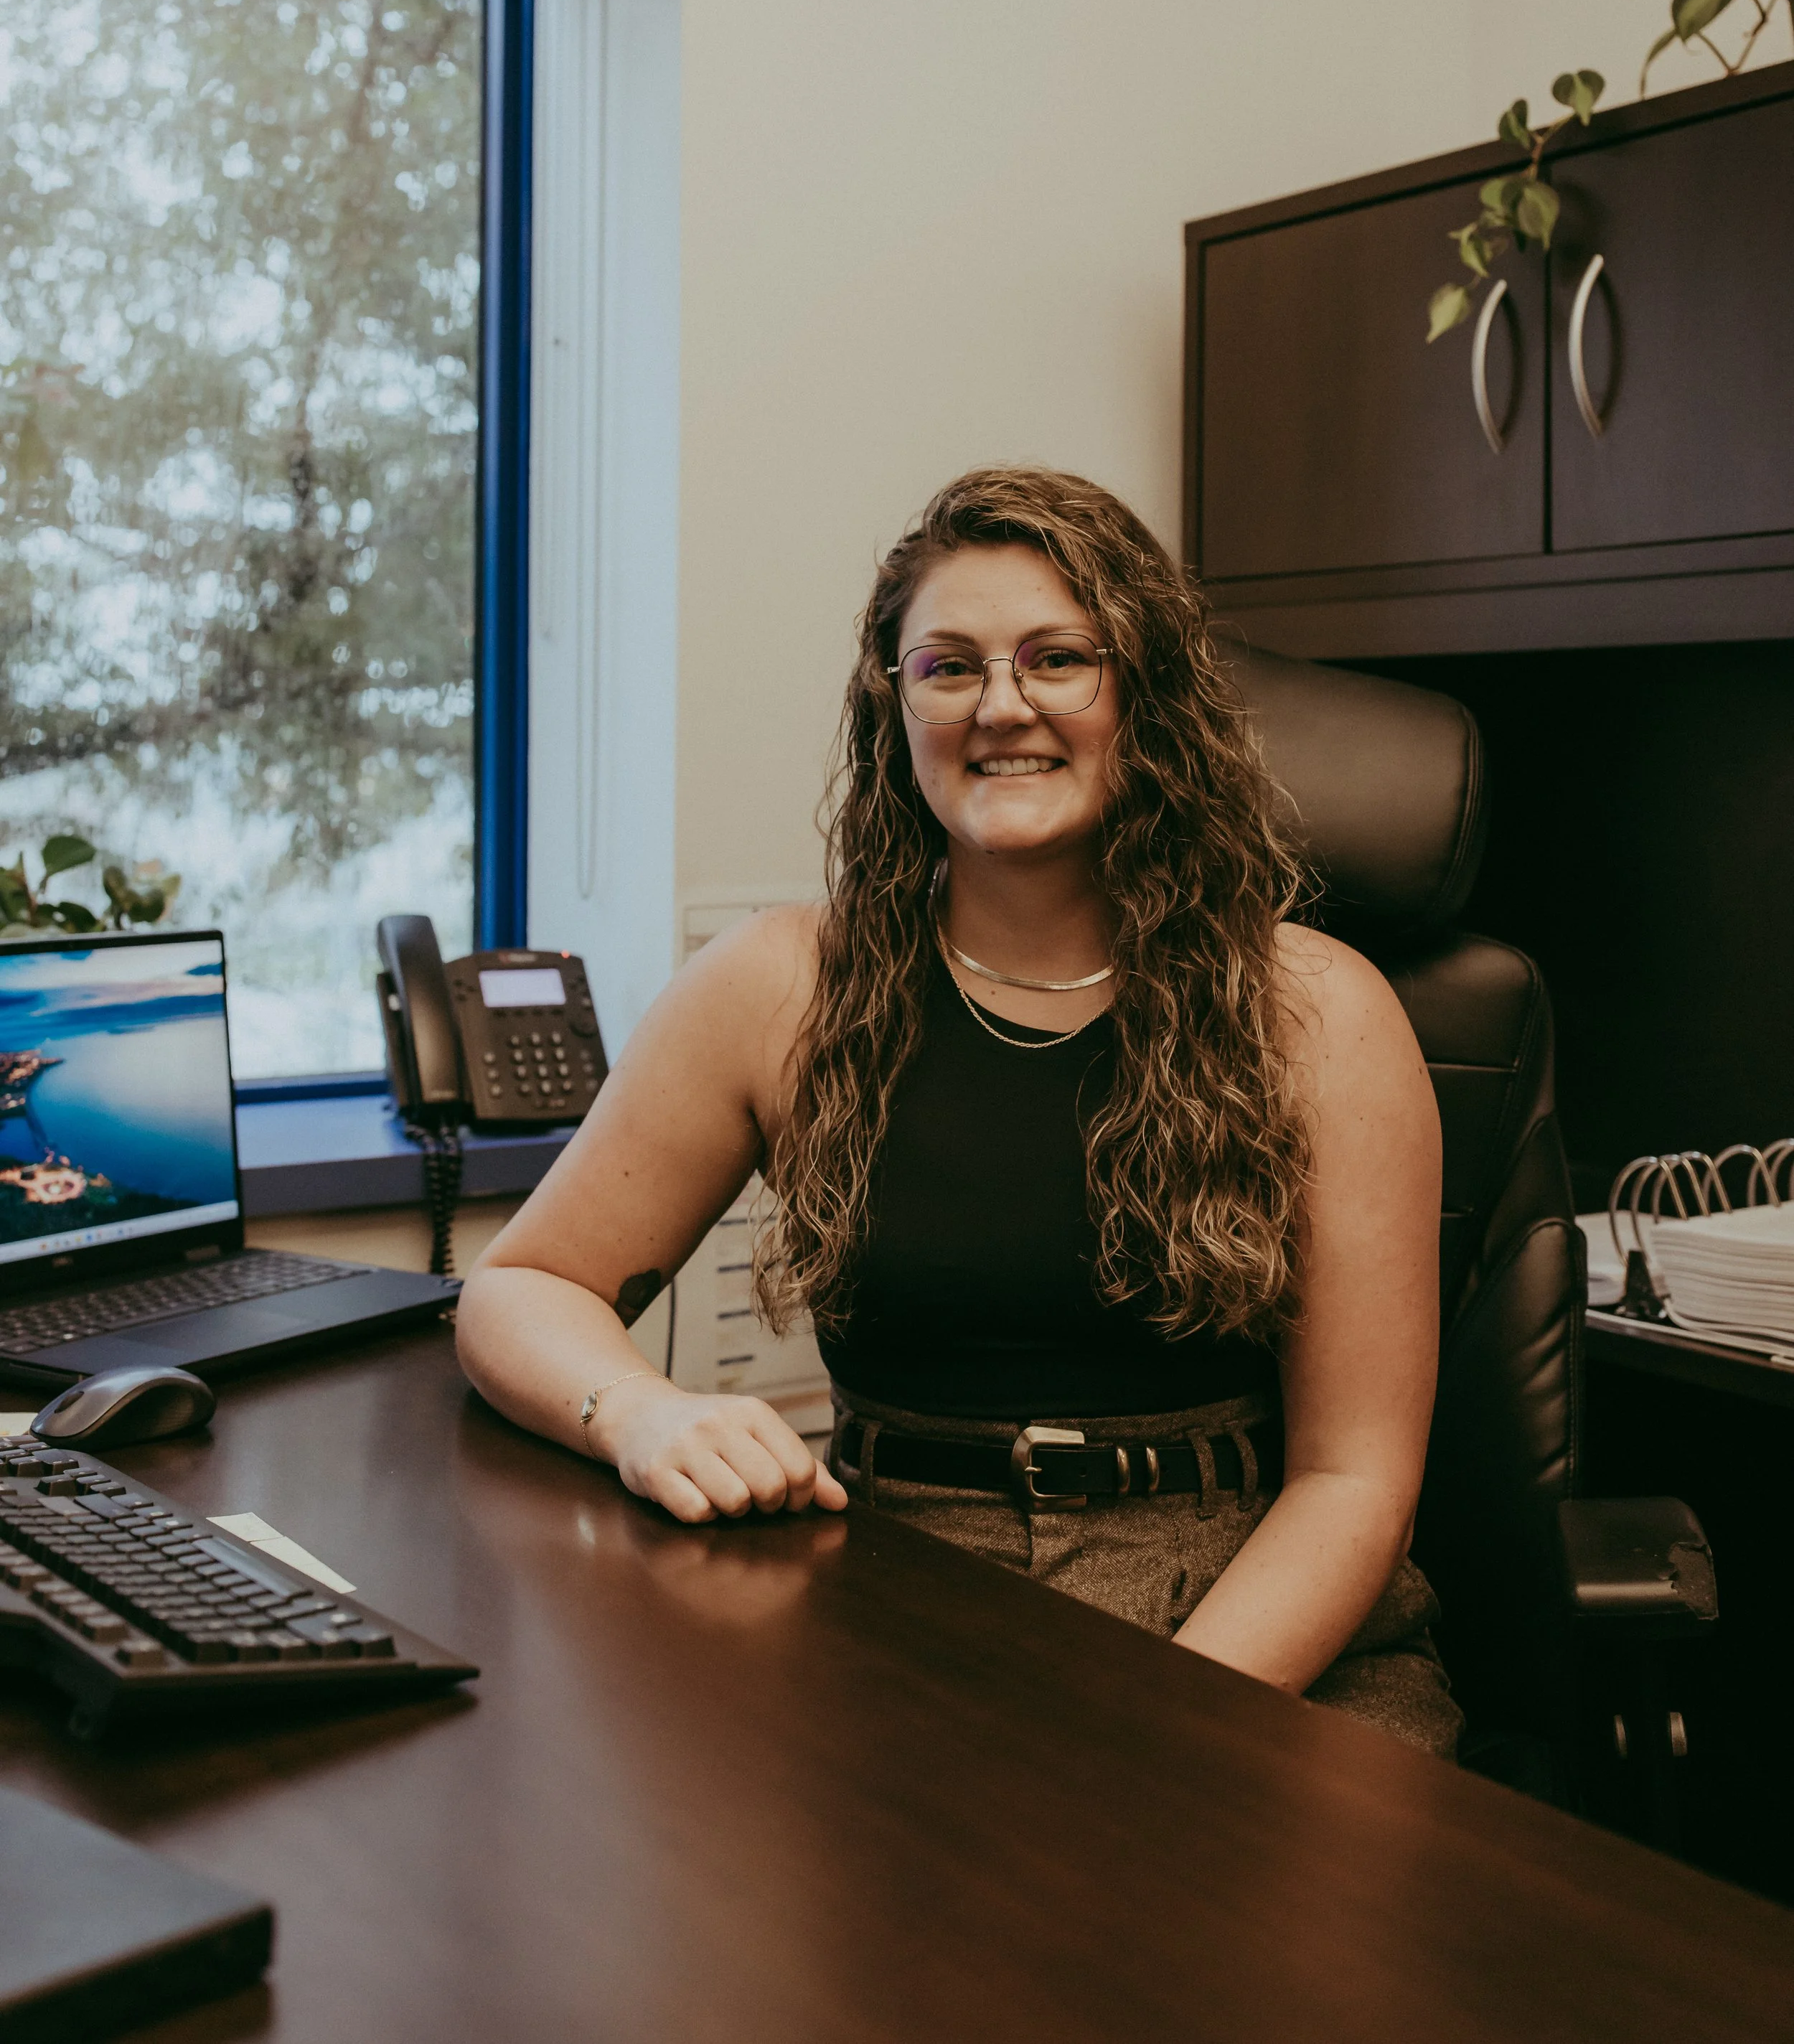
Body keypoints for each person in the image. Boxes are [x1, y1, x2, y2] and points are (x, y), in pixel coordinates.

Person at [456, 467, 1460, 1755]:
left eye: (1058, 659)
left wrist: (1157, 1729)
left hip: (1253, 1618)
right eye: (949, 665)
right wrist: (643, 1413)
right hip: (898, 1592)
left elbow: (1355, 1483)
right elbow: (520, 1285)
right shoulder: (782, 988)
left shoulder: (1319, 1011)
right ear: (896, 704)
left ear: (1144, 696)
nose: (1002, 706)